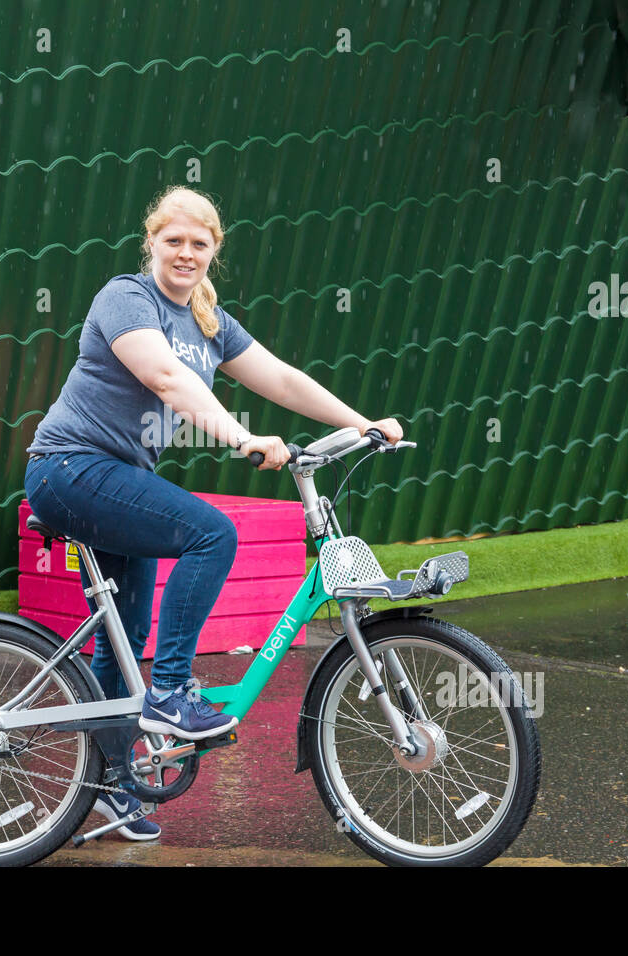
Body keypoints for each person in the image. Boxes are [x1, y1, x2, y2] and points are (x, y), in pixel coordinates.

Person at [23, 185, 403, 840]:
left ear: (213, 251)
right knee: (211, 532)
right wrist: (241, 437)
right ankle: (171, 694)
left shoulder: (208, 321)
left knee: (126, 632)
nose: (186, 253)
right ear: (152, 243)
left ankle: (113, 783)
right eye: (174, 240)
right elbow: (168, 379)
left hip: (116, 477)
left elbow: (279, 377)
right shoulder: (126, 298)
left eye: (200, 243)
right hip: (69, 468)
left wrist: (362, 422)